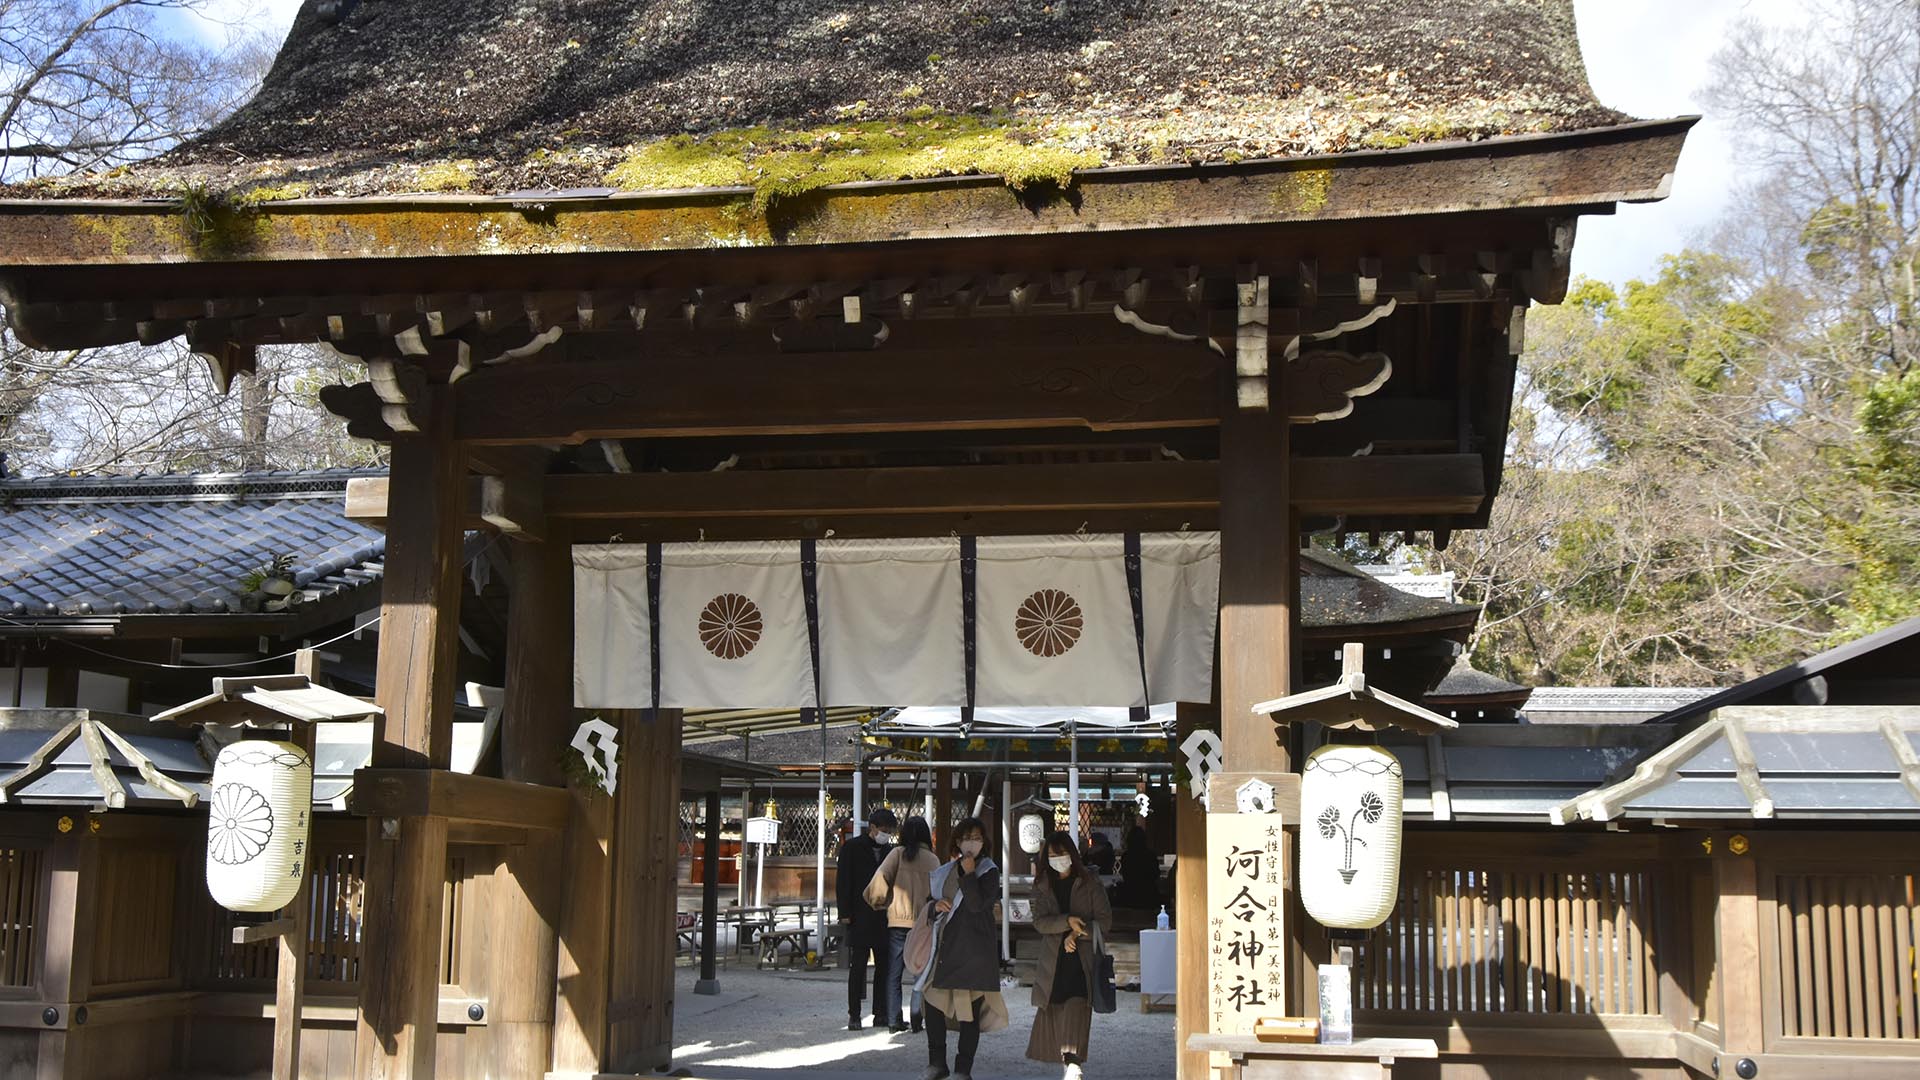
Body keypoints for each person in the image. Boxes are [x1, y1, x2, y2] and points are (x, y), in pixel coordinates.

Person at [915, 817, 1008, 1080]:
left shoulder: (989, 871)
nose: (972, 843)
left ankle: (963, 1069)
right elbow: (929, 901)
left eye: (977, 838)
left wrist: (969, 874)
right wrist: (934, 907)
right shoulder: (945, 870)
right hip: (944, 947)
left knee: (970, 1011)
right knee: (932, 1003)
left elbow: (979, 905)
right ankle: (936, 1062)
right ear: (957, 841)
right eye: (967, 838)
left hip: (974, 949)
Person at [1026, 832, 1112, 1079]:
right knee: (1055, 1008)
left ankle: (1073, 1063)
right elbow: (1040, 922)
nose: (1058, 859)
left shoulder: (1089, 881)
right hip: (1053, 961)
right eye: (1052, 855)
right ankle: (1066, 1061)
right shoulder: (1043, 884)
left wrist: (1077, 934)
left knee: (1076, 1006)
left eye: (1062, 854)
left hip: (1082, 961)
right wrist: (1066, 922)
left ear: (1073, 854)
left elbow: (1104, 921)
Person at [865, 814, 939, 1033]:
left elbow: (880, 878)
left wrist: (878, 902)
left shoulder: (897, 854)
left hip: (898, 922)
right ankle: (916, 1016)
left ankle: (894, 1020)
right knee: (920, 972)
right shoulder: (933, 860)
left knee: (893, 973)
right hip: (923, 924)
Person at [837, 807, 896, 1030]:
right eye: (883, 829)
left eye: (890, 830)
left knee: (883, 967)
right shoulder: (852, 848)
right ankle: (854, 1014)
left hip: (883, 916)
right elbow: (844, 882)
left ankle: (880, 1012)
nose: (886, 834)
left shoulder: (891, 851)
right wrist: (844, 913)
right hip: (859, 914)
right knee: (858, 966)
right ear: (872, 827)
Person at [1118, 823, 1159, 909]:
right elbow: (1156, 874)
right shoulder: (1150, 855)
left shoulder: (1126, 856)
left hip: (1130, 895)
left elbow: (1125, 875)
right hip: (1149, 895)